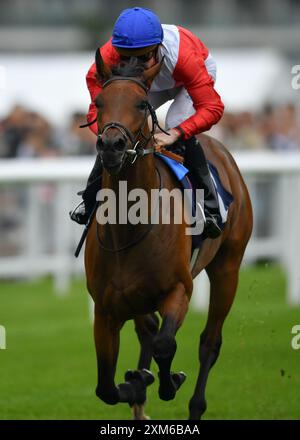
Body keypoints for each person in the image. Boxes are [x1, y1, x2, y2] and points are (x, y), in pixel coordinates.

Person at [70, 7, 225, 238]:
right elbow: (96, 114)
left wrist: (176, 133)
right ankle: (89, 199)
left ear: (158, 48)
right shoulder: (106, 58)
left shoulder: (184, 57)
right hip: (145, 84)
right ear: (117, 50)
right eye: (126, 57)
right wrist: (112, 134)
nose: (135, 63)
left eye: (143, 57)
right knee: (117, 125)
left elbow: (213, 108)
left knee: (175, 120)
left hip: (187, 79)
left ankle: (210, 206)